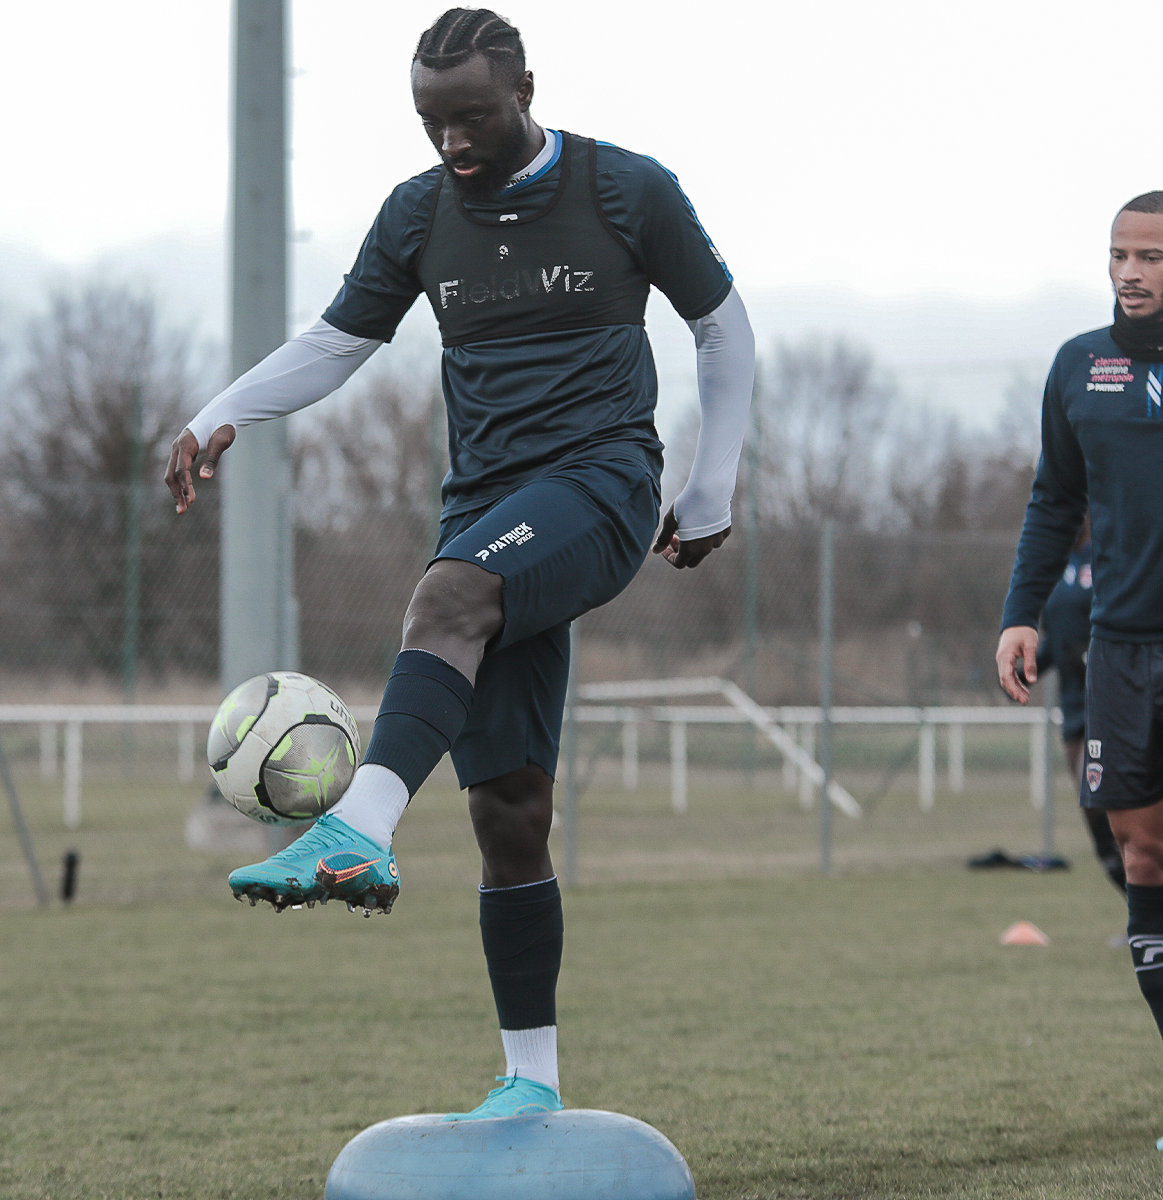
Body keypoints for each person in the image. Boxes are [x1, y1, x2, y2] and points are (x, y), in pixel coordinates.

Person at [165, 8, 753, 1119]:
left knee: (446, 599)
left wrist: (709, 486)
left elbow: (722, 328)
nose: (454, 142)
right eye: (432, 121)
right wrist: (222, 411)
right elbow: (336, 342)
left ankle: (354, 832)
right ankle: (532, 1085)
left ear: (525, 87)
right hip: (485, 505)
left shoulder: (626, 190)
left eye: (473, 115)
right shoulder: (418, 212)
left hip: (602, 484)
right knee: (509, 808)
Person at [996, 191, 1163, 1150]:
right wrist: (1022, 614)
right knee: (1147, 859)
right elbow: (1054, 499)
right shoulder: (1079, 365)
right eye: (1120, 254)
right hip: (1118, 649)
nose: (1131, 271)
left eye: (1152, 256)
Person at [1035, 525, 1125, 892]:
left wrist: (1091, 655)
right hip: (1072, 705)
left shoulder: (1107, 555)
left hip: (1109, 698)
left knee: (1097, 782)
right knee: (1091, 805)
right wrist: (1026, 667)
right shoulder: (1053, 568)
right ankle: (1132, 889)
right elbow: (1054, 639)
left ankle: (1152, 883)